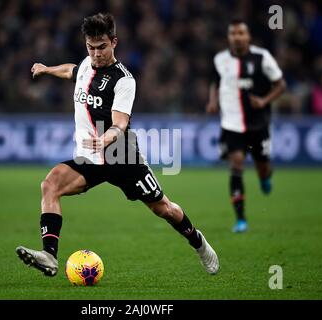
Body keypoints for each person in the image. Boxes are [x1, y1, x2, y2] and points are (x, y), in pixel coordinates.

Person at [16, 13, 219, 276]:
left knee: (163, 209)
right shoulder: (87, 65)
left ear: (114, 42)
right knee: (50, 184)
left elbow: (120, 123)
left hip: (121, 155)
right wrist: (47, 69)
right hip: (90, 157)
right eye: (91, 47)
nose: (96, 54)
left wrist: (105, 138)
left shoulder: (123, 80)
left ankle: (198, 243)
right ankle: (49, 256)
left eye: (102, 47)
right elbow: (71, 71)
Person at [206, 19, 286, 233]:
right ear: (229, 37)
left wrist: (264, 101)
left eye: (241, 33)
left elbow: (281, 84)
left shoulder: (262, 57)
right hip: (231, 124)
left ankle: (265, 177)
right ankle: (241, 219)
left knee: (262, 167)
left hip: (258, 124)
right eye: (233, 33)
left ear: (248, 36)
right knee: (237, 165)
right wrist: (212, 101)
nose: (237, 37)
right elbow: (215, 82)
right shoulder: (220, 59)